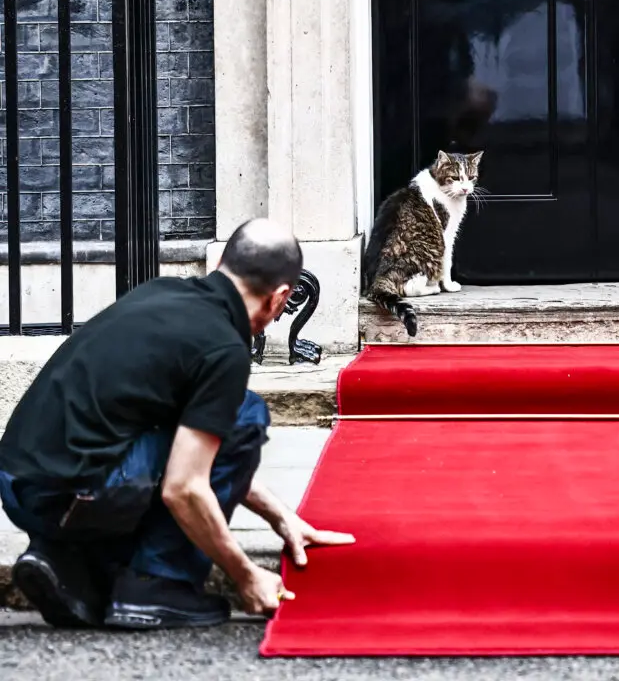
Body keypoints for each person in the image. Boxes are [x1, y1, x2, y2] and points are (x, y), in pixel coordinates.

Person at [0, 218, 355, 630]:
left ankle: (68, 560)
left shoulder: (160, 293)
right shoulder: (222, 349)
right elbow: (184, 486)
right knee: (245, 413)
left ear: (220, 262)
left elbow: (193, 440)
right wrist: (246, 575)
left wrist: (281, 517)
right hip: (74, 495)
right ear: (280, 298)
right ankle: (159, 584)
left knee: (167, 433)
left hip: (19, 486)